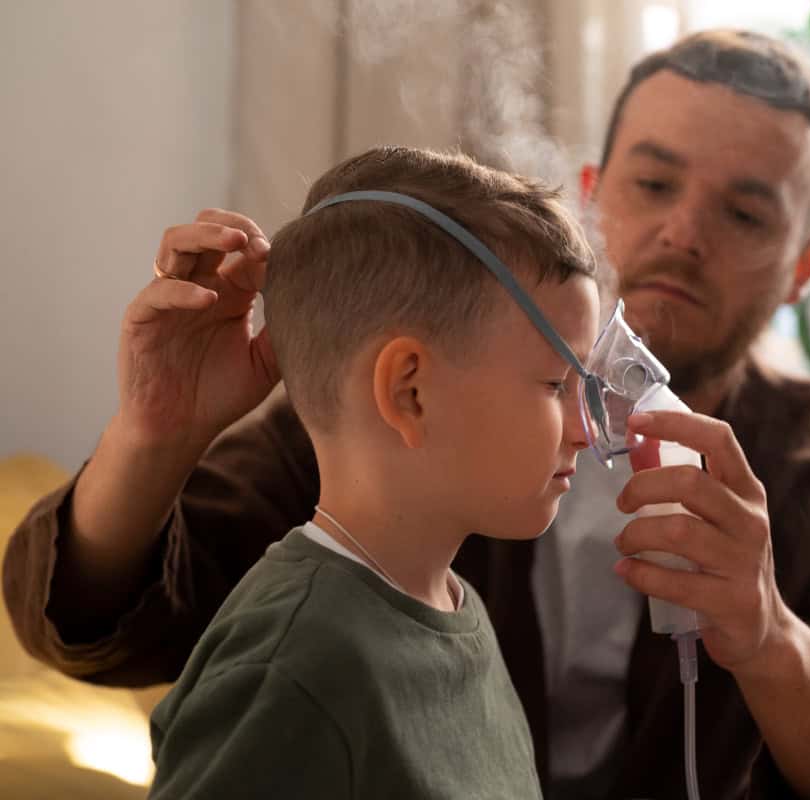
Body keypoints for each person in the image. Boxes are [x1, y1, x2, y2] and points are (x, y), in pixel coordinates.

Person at [3, 29, 810, 800]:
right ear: (594, 198)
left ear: (808, 266)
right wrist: (156, 434)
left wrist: (762, 632)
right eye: (655, 184)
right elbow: (97, 634)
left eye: (747, 216)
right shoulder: (401, 411)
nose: (683, 233)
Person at [146, 145, 600, 797]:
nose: (586, 431)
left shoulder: (454, 613)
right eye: (557, 384)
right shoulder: (292, 669)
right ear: (410, 391)